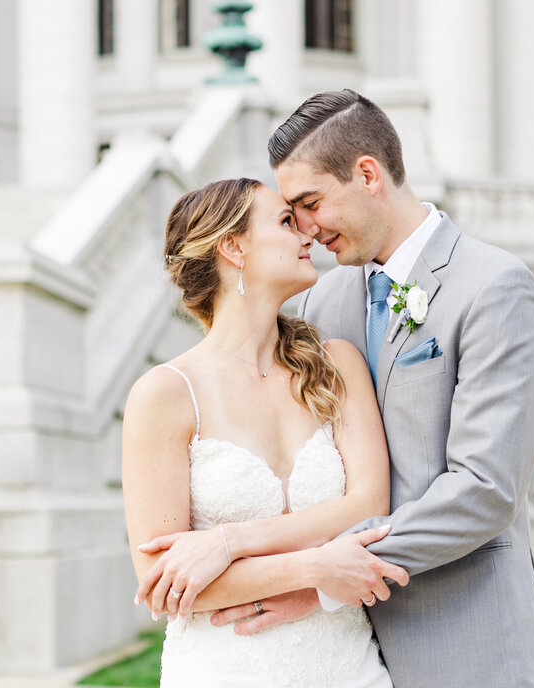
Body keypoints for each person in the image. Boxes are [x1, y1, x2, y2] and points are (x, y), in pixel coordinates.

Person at [211, 89, 534, 687]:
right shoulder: (323, 303)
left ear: (367, 174)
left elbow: (485, 489)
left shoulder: (494, 286)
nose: (305, 229)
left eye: (310, 203)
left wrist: (325, 576)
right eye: (292, 216)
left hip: (468, 646)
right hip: (342, 655)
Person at [121, 177, 408, 687]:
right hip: (224, 669)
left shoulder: (336, 364)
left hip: (347, 666)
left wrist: (228, 543)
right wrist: (317, 568)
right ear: (233, 247)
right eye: (284, 221)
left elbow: (369, 503)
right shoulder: (165, 394)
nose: (308, 234)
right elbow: (162, 582)